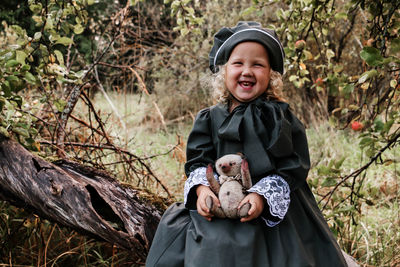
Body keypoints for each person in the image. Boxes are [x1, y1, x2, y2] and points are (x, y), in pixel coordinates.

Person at [146, 21, 350, 267]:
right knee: (210, 247)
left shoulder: (279, 116)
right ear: (224, 71)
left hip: (271, 210)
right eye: (238, 63)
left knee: (291, 255)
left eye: (258, 65)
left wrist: (262, 196)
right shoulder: (210, 117)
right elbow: (198, 161)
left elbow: (294, 163)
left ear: (271, 74)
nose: (247, 71)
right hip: (221, 204)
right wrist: (202, 191)